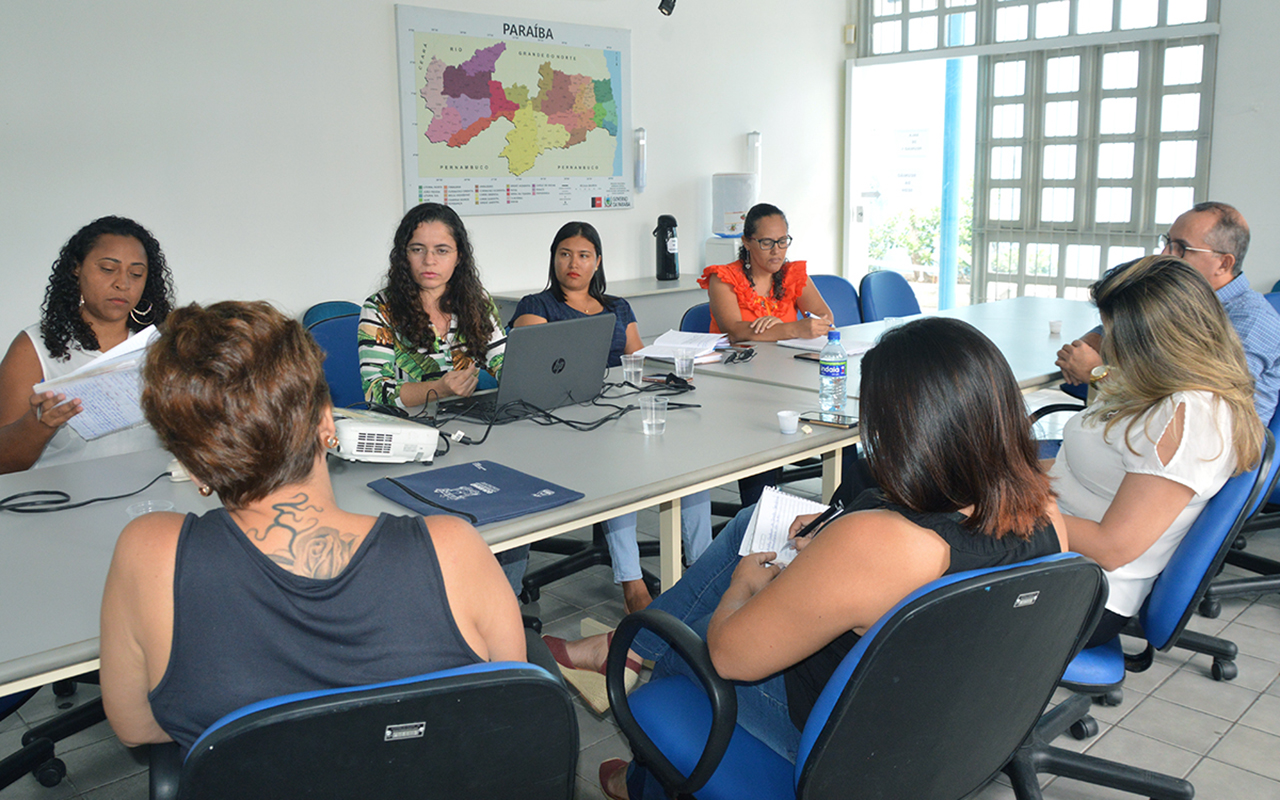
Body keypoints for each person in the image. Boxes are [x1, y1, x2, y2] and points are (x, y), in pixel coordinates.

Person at [545, 317, 1067, 799]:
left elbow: (729, 655)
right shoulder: (1048, 513)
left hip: (846, 745)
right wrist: (832, 555)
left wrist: (745, 587)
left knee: (697, 637)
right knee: (747, 553)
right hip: (953, 731)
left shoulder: (882, 542)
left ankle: (648, 781)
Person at [99, 301, 525, 754]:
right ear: (327, 421)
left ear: (192, 467)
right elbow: (514, 707)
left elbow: (137, 727)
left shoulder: (149, 554)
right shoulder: (453, 549)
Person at [1049, 255, 1264, 647]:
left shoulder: (1190, 416)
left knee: (919, 547)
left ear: (1154, 340)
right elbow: (1100, 465)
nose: (1107, 343)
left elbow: (1111, 548)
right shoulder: (1156, 385)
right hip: (1059, 558)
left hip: (1083, 592)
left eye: (1115, 332)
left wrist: (1013, 511)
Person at [512, 221, 713, 614]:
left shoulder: (618, 306)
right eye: (565, 254)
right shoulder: (535, 307)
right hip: (563, 423)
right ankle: (632, 581)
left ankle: (701, 568)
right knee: (620, 469)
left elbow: (635, 358)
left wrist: (667, 373)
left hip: (621, 410)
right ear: (553, 259)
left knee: (693, 466)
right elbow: (530, 369)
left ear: (597, 261)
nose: (574, 263)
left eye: (584, 255)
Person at [1057, 202, 1280, 422]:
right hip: (1149, 428)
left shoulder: (1252, 321)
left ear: (1223, 263)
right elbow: (1124, 322)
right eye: (1167, 242)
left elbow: (1204, 407)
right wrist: (1089, 343)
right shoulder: (1180, 299)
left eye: (1181, 248)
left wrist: (1099, 374)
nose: (1164, 254)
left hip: (1214, 449)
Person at [0, 216, 175, 474]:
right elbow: (4, 463)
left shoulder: (163, 345)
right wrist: (39, 426)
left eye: (136, 274)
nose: (123, 283)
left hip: (152, 500)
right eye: (107, 268)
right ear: (76, 268)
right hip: (63, 504)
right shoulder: (34, 347)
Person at [359, 202, 506, 411]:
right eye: (417, 249)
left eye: (442, 250)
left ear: (459, 257)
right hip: (406, 427)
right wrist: (438, 389)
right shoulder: (379, 308)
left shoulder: (477, 301)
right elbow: (375, 392)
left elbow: (503, 364)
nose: (429, 260)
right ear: (404, 255)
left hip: (467, 421)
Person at [698, 203, 834, 344]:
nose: (776, 250)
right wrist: (792, 329)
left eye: (782, 241)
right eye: (767, 242)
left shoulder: (793, 274)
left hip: (785, 361)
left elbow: (825, 317)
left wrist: (814, 324)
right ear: (746, 242)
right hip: (737, 362)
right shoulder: (724, 278)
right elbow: (734, 331)